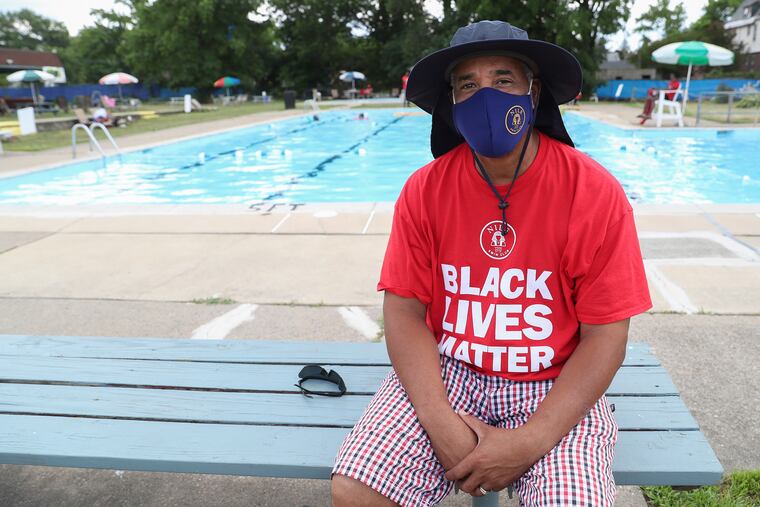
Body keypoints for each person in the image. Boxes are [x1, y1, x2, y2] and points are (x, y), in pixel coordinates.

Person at [331, 19, 652, 507]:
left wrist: (530, 440)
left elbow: (606, 334)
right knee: (358, 494)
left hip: (552, 377)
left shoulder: (593, 192)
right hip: (450, 370)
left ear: (533, 90)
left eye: (503, 80)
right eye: (467, 85)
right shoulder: (425, 190)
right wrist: (438, 421)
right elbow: (403, 311)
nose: (486, 97)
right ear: (452, 104)